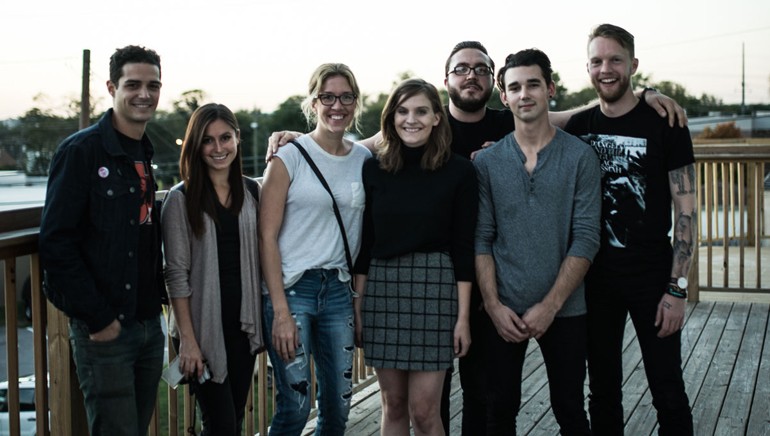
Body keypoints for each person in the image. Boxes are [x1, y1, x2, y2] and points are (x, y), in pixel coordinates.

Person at [266, 42, 685, 435]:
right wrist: (297, 141)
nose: (472, 76)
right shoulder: (393, 149)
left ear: (493, 86)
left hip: (482, 290)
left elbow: (576, 117)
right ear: (446, 79)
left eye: (481, 69)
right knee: (456, 402)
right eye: (461, 69)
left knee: (517, 401)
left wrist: (639, 91)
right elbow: (350, 146)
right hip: (445, 293)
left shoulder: (512, 126)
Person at [564, 24, 696, 435]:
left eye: (615, 60)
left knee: (667, 389)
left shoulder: (666, 124)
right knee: (602, 392)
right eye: (597, 61)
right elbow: (523, 115)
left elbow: (688, 214)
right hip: (595, 278)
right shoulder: (578, 125)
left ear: (633, 65)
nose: (606, 69)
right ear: (587, 68)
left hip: (651, 278)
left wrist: (677, 290)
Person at [39, 45, 166, 436]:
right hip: (106, 328)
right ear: (112, 87)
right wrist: (99, 319)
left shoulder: (144, 151)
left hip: (147, 324)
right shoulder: (81, 151)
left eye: (153, 85)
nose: (144, 93)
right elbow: (56, 243)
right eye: (133, 84)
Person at [474, 48, 601, 435]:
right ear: (504, 97)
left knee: (570, 410)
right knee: (499, 411)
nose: (524, 94)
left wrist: (550, 306)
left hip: (565, 309)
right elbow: (481, 238)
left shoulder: (580, 157)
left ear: (550, 89)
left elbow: (586, 237)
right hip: (503, 311)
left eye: (533, 84)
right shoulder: (487, 163)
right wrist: (493, 306)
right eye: (515, 87)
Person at [353, 78, 477, 436]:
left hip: (436, 292)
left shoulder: (460, 172)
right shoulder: (373, 169)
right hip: (381, 290)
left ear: (437, 117)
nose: (412, 119)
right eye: (403, 111)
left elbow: (463, 249)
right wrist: (359, 308)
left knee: (424, 412)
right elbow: (366, 244)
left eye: (422, 111)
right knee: (393, 406)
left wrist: (463, 318)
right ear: (391, 118)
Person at [259, 63, 372, 436]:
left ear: (356, 103)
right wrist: (279, 311)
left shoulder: (364, 160)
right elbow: (267, 236)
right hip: (293, 291)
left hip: (338, 291)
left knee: (338, 406)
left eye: (345, 97)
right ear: (313, 102)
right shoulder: (288, 157)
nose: (336, 105)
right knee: (295, 404)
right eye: (327, 97)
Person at [161, 103, 264, 435]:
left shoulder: (251, 191)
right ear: (195, 145)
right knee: (220, 425)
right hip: (202, 331)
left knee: (232, 418)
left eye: (225, 138)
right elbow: (175, 274)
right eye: (208, 140)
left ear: (237, 140)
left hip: (242, 325)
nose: (218, 148)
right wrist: (188, 341)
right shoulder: (181, 199)